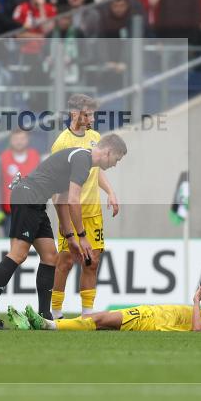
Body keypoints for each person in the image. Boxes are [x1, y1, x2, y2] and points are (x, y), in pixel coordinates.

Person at [0, 134, 128, 330]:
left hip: (36, 201)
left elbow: (61, 201)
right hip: (28, 196)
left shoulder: (82, 160)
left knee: (50, 256)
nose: (115, 164)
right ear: (108, 152)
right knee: (18, 254)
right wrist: (82, 237)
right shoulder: (83, 160)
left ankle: (44, 315)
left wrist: (70, 236)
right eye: (117, 159)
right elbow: (74, 200)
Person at [51, 94, 119, 319]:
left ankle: (87, 314)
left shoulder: (95, 137)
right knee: (66, 261)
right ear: (74, 114)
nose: (91, 118)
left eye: (93, 114)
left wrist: (110, 192)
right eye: (87, 114)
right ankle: (56, 312)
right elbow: (56, 185)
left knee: (92, 262)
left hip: (93, 213)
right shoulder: (62, 142)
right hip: (71, 213)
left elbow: (96, 171)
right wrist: (63, 220)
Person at [10, 284, 201, 333]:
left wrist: (196, 302)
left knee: (98, 319)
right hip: (149, 313)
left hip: (151, 321)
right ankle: (35, 324)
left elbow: (197, 330)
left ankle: (47, 324)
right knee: (99, 322)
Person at [0, 128, 42, 238]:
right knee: (12, 248)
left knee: (31, 246)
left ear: (27, 140)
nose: (19, 141)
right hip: (10, 214)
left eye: (22, 138)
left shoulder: (37, 158)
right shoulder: (1, 159)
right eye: (16, 139)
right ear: (10, 140)